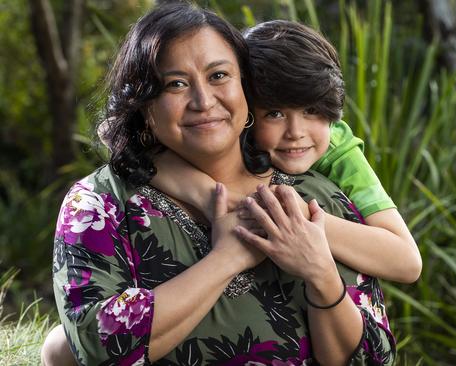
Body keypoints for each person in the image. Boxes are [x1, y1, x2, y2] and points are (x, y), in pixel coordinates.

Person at [43, 3, 397, 365]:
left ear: (247, 89)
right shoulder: (100, 204)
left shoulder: (317, 196)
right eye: (175, 84)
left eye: (218, 76)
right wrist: (225, 259)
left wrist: (321, 273)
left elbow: (374, 359)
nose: (203, 101)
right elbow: (96, 347)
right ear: (144, 104)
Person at [151, 19, 422, 284]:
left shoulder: (337, 147)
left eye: (311, 110)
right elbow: (131, 146)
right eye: (275, 113)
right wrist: (209, 195)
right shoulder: (227, 132)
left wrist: (300, 217)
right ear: (246, 109)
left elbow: (407, 262)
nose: (295, 132)